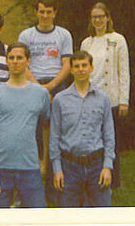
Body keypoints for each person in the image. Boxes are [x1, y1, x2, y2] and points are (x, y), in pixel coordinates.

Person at [0, 43, 50, 208]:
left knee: (37, 219)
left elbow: (46, 128)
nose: (15, 61)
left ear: (28, 61)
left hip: (30, 168)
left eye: (20, 58)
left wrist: (44, 162)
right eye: (11, 58)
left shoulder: (41, 93)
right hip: (0, 168)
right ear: (6, 61)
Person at [18, 0, 73, 204]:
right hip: (32, 85)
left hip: (57, 85)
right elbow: (23, 64)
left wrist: (50, 87)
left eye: (49, 12)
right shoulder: (26, 35)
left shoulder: (63, 34)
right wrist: (40, 88)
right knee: (33, 134)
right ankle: (29, 190)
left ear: (55, 13)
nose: (45, 15)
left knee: (56, 135)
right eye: (41, 11)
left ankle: (56, 188)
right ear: (36, 12)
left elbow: (67, 64)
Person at [50, 50, 115, 207]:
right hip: (69, 166)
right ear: (71, 70)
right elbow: (54, 136)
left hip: (96, 165)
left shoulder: (103, 99)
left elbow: (109, 135)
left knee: (101, 216)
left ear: (91, 67)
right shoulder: (60, 100)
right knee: (69, 217)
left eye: (84, 65)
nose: (80, 69)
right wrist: (57, 169)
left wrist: (107, 166)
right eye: (76, 66)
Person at [80, 2, 130, 189]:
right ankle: (93, 177)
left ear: (107, 17)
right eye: (94, 17)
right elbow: (82, 70)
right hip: (91, 96)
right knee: (92, 139)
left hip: (111, 98)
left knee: (111, 140)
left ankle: (113, 180)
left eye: (101, 16)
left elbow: (123, 71)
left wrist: (123, 100)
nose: (98, 20)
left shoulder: (118, 40)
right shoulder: (87, 42)